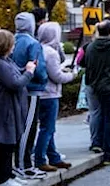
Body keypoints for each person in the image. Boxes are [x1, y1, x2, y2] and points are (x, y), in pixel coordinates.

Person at [0, 30, 36, 186]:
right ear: (5, 45)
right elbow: (14, 83)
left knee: (9, 142)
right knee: (5, 144)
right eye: (12, 43)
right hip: (4, 108)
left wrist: (25, 68)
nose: (14, 46)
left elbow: (14, 74)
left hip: (7, 107)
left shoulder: (3, 61)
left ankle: (9, 174)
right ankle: (3, 179)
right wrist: (29, 73)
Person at [83, 20, 110, 164]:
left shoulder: (90, 47)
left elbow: (84, 63)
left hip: (96, 85)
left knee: (97, 114)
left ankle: (96, 142)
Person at [33, 21, 77, 171]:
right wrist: (72, 75)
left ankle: (54, 156)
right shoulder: (51, 53)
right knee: (48, 128)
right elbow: (56, 76)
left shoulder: (38, 49)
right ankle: (40, 158)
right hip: (50, 94)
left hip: (40, 94)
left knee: (47, 127)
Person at [13, 13, 48, 179]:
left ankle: (20, 163)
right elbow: (38, 68)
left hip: (17, 88)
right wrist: (44, 79)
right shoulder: (33, 44)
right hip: (32, 88)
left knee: (21, 126)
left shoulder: (12, 41)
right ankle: (24, 165)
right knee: (29, 127)